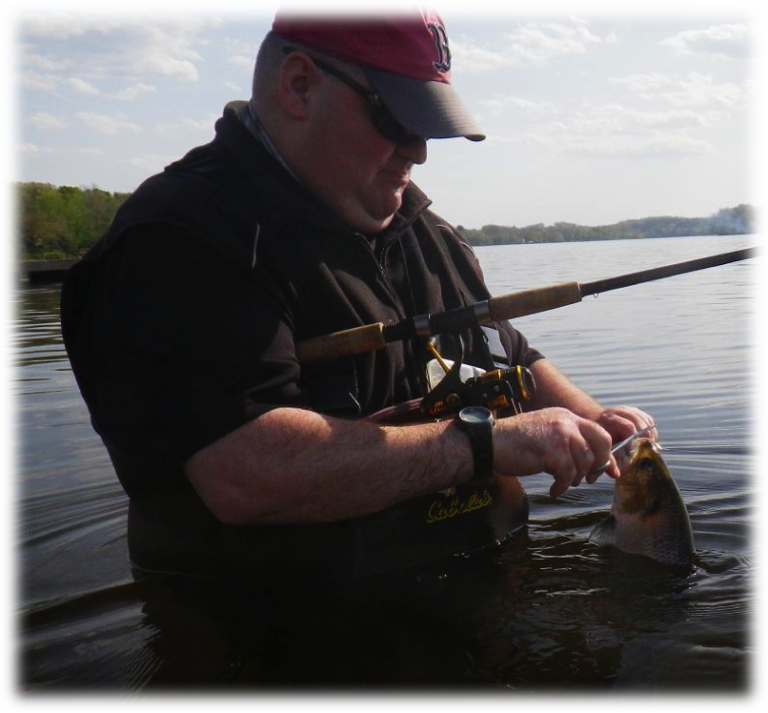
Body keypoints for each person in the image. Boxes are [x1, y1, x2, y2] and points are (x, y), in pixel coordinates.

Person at [61, 2, 655, 578]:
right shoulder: (179, 240)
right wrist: (482, 446)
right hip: (281, 641)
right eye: (397, 119)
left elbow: (506, 352)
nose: (419, 151)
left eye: (428, 126)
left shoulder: (426, 231)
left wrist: (593, 423)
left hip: (475, 595)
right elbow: (244, 473)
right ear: (298, 86)